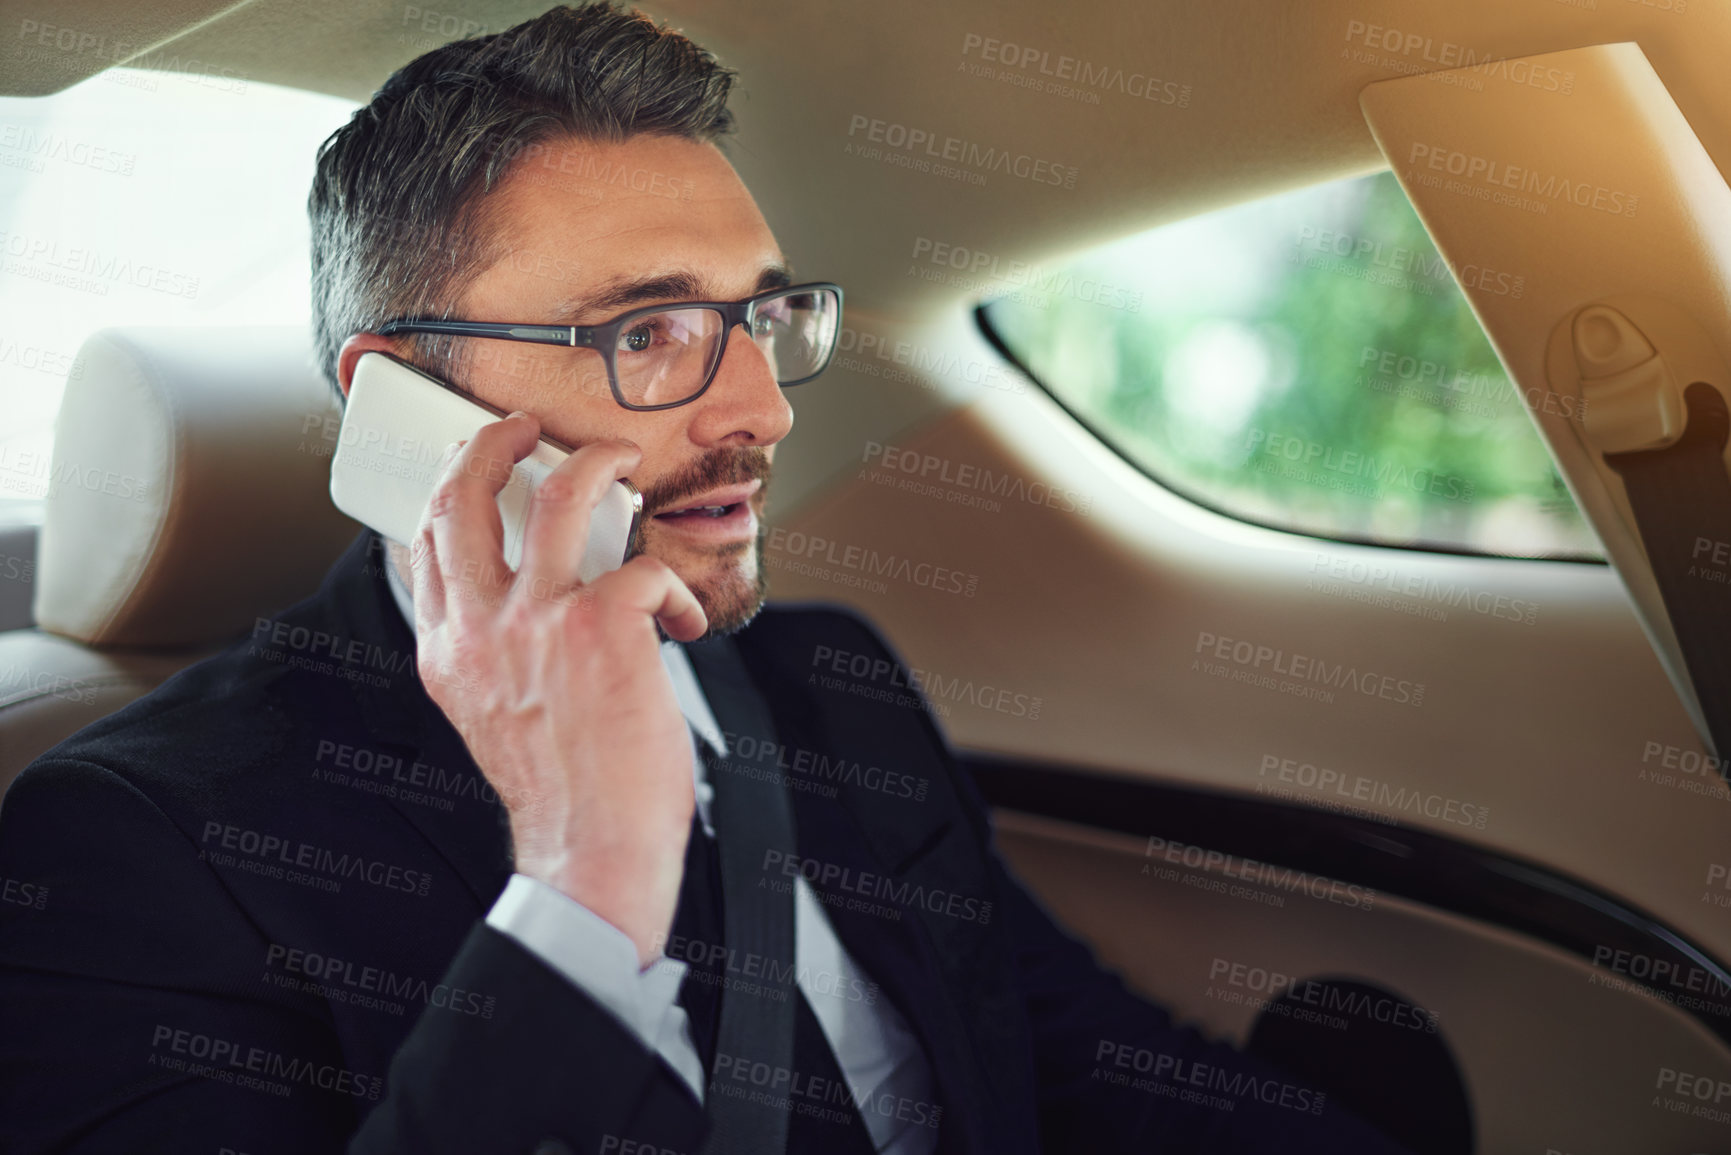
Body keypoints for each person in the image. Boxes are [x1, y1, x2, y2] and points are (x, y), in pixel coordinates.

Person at [0, 6, 1412, 1152]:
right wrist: (582, 886)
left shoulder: (829, 678)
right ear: (403, 400)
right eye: (651, 330)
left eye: (761, 317)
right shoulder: (128, 845)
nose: (764, 408)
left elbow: (1078, 1053)